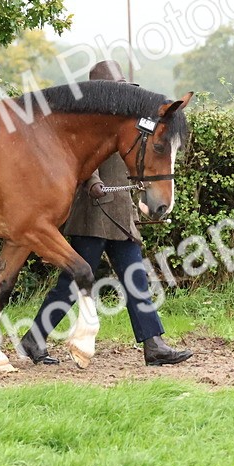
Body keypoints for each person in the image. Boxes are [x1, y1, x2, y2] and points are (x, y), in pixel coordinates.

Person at [19, 60, 192, 367]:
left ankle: (154, 345)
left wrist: (144, 196)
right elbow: (84, 154)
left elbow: (142, 156)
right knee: (72, 282)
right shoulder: (90, 117)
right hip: (95, 211)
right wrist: (95, 182)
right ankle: (34, 337)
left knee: (134, 277)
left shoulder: (132, 120)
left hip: (119, 211)